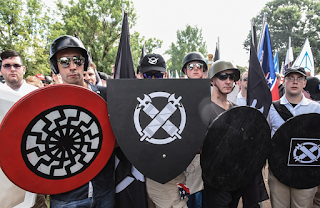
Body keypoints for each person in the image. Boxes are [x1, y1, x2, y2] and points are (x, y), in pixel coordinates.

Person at [49, 35, 114, 208]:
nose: (72, 67)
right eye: (64, 61)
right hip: (66, 196)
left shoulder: (106, 95)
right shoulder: (46, 102)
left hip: (104, 189)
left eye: (77, 60)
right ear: (56, 66)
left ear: (85, 63)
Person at [267, 66, 320, 208]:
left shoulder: (316, 109)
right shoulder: (272, 108)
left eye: (299, 79)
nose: (295, 82)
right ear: (284, 82)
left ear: (305, 83)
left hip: (306, 169)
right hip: (278, 168)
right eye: (291, 78)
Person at [140, 53, 188, 208]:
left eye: (158, 75)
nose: (153, 80)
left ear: (165, 75)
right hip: (142, 174)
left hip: (174, 175)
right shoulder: (130, 100)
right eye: (148, 75)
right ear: (140, 75)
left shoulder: (183, 96)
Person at [0, 50, 45, 207]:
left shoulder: (37, 94)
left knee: (36, 204)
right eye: (7, 66)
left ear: (23, 69)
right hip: (4, 167)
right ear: (1, 70)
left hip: (34, 163)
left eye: (16, 65)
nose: (12, 69)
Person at [203, 59, 243, 208]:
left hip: (236, 176)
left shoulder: (237, 110)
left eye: (231, 77)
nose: (228, 81)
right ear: (212, 80)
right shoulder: (203, 110)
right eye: (223, 77)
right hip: (214, 178)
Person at [182, 52, 207, 208]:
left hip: (203, 153)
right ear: (185, 70)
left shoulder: (211, 91)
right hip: (183, 151)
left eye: (199, 66)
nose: (196, 69)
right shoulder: (177, 91)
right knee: (184, 194)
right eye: (191, 66)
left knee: (199, 197)